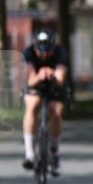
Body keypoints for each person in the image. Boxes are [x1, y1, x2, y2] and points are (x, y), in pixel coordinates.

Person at [22, 30, 69, 175]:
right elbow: (30, 80)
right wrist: (40, 75)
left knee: (56, 111)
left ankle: (54, 152)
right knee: (32, 105)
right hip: (35, 85)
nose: (44, 55)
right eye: (40, 51)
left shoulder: (61, 53)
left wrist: (52, 76)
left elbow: (60, 79)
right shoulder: (29, 53)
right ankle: (29, 153)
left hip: (54, 87)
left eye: (47, 51)